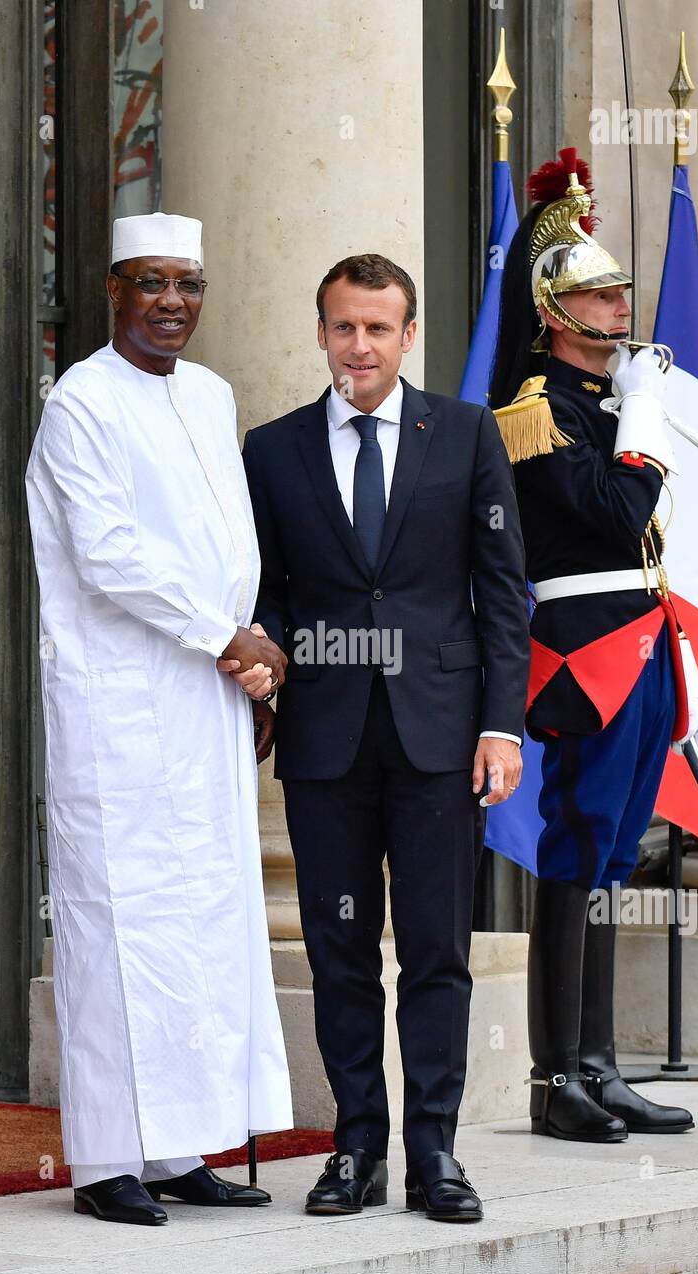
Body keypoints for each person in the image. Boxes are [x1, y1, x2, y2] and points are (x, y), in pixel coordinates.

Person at [224, 253, 530, 1221]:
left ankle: (432, 1149)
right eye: (343, 327)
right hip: (326, 741)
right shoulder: (270, 453)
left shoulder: (468, 436)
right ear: (320, 334)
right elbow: (263, 587)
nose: (359, 346)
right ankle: (354, 1144)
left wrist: (500, 724)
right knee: (338, 949)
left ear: (407, 336)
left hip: (441, 738)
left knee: (436, 949)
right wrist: (264, 650)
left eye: (377, 329)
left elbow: (500, 593)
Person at [25, 211, 293, 1225]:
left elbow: (227, 543)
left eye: (187, 283)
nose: (171, 301)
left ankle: (179, 1146)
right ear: (113, 291)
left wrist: (248, 649)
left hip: (207, 699)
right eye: (151, 282)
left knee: (204, 921)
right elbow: (108, 555)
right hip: (120, 707)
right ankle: (102, 1161)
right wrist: (223, 634)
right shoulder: (80, 403)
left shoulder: (212, 394)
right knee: (117, 924)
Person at [489, 149, 698, 1142]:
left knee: (617, 850)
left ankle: (599, 1062)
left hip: (638, 638)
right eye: (600, 299)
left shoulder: (599, 404)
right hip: (582, 645)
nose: (619, 313)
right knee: (573, 848)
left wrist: (630, 411)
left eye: (619, 296)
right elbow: (618, 514)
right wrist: (645, 420)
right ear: (554, 310)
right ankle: (551, 1078)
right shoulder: (534, 411)